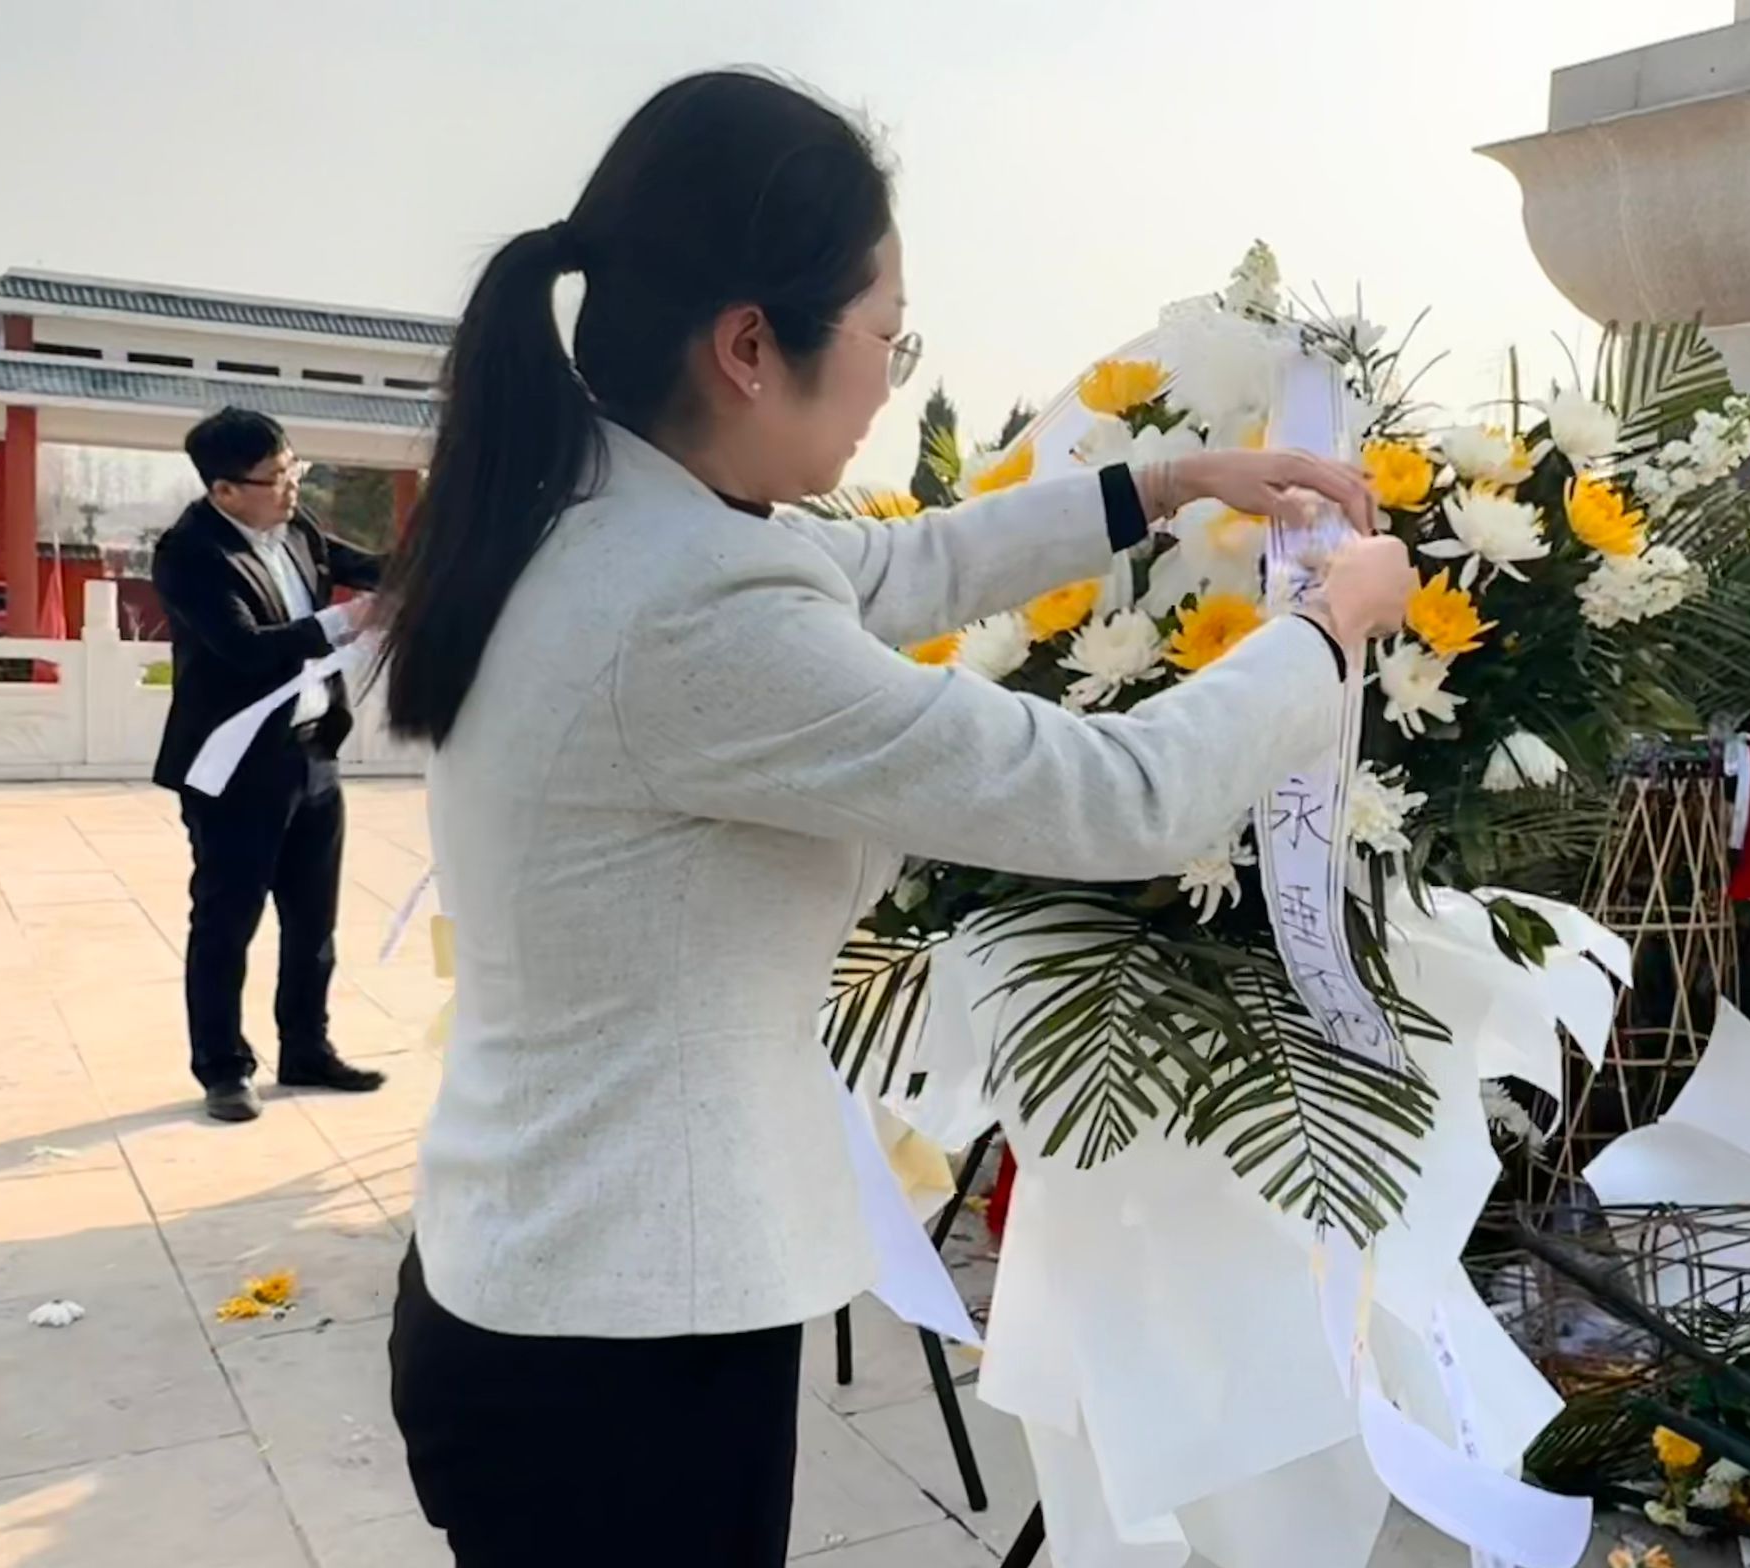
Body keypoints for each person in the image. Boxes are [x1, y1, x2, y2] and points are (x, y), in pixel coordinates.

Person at [377, 69, 1416, 1566]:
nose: (887, 381)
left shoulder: (598, 512)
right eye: (888, 336)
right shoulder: (691, 607)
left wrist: (1167, 484)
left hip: (536, 1281)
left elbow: (896, 567)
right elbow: (1124, 795)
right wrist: (1327, 631)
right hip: (621, 1357)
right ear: (751, 346)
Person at [151, 407, 389, 1122]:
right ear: (224, 490)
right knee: (228, 921)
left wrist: (453, 565)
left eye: (293, 469)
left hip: (313, 753)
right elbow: (246, 648)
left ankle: (307, 1048)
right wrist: (346, 621)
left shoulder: (297, 525)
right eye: (276, 477)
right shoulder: (190, 553)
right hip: (237, 768)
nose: (291, 487)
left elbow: (370, 566)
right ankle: (223, 1067)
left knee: (313, 921)